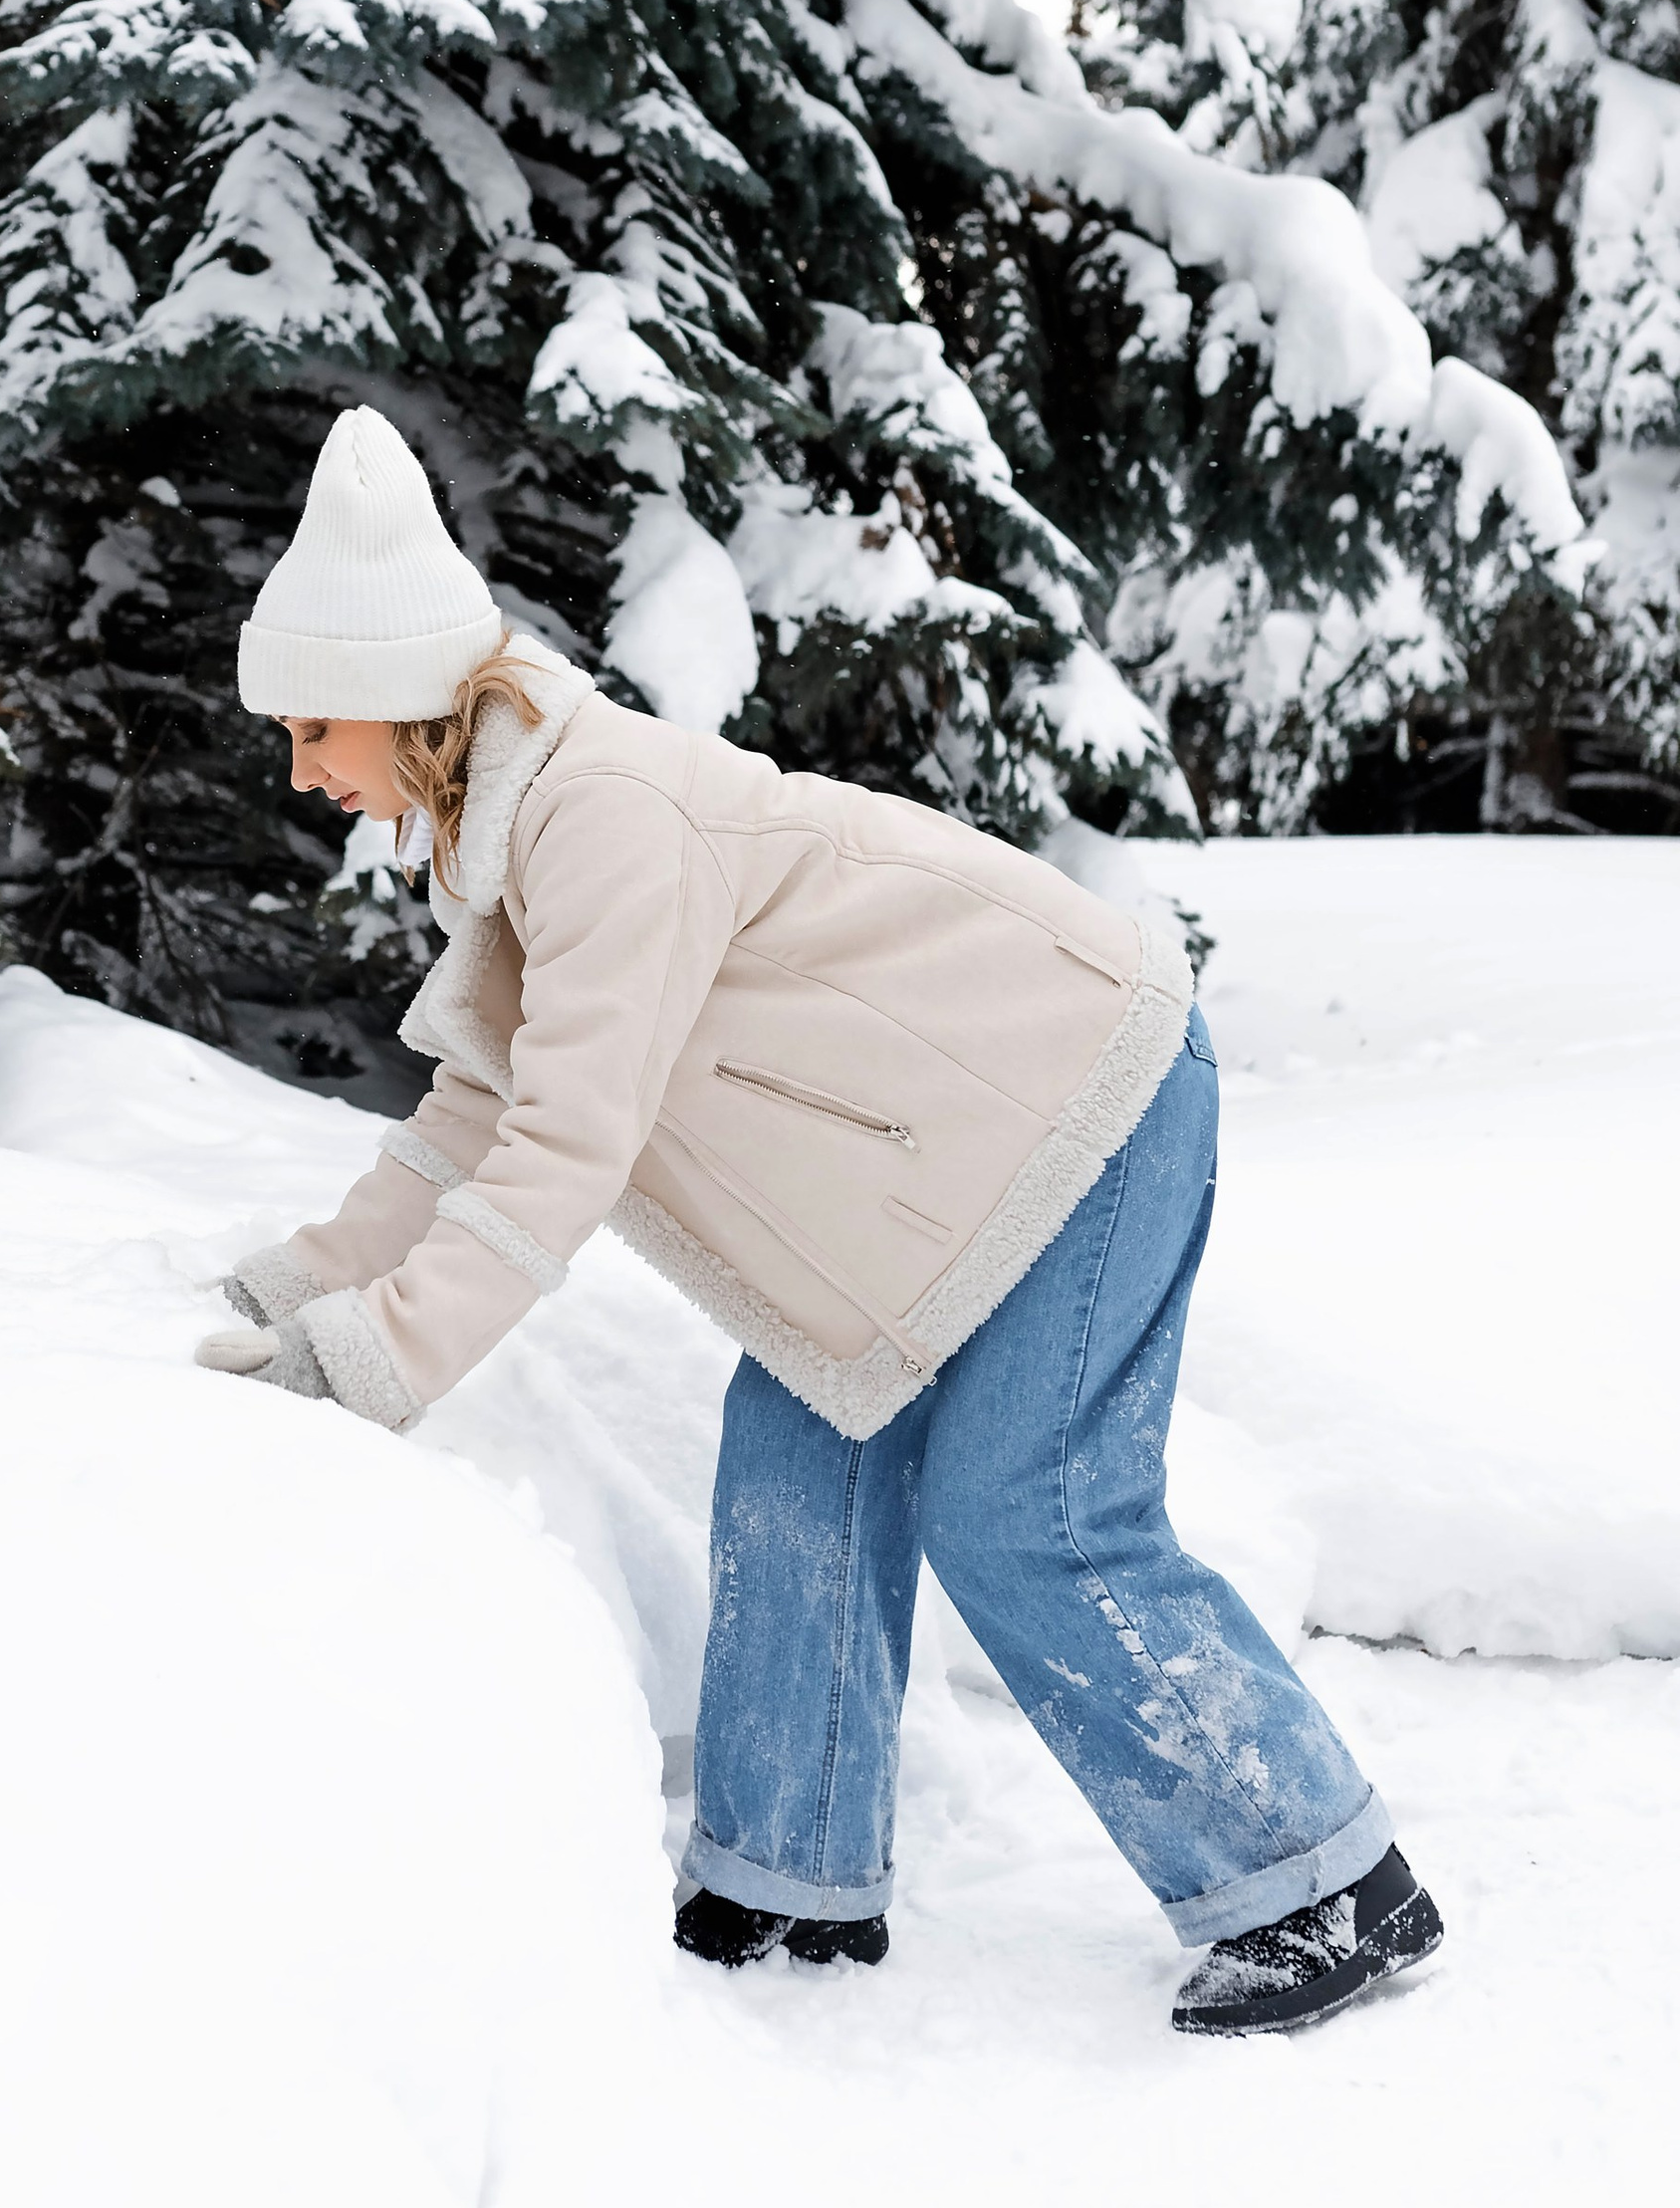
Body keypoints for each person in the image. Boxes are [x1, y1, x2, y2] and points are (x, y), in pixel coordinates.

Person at [196, 407, 1444, 2040]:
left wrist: (374, 1365)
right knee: (798, 1460)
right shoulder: (511, 832)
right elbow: (477, 1108)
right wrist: (302, 1289)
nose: (297, 768)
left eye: (309, 728)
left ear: (403, 703)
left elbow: (566, 1146)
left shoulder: (607, 819)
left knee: (1033, 1512)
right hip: (926, 1177)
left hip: (1085, 1104)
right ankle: (785, 1884)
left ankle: (1320, 1885)